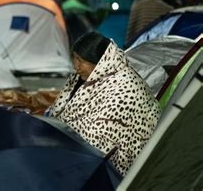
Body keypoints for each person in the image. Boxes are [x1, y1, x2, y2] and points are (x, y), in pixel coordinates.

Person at [48, 32, 161, 175]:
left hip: (116, 169)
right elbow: (60, 112)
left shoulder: (124, 88)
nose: (76, 66)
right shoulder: (87, 76)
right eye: (74, 58)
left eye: (81, 60)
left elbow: (96, 140)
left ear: (99, 61)